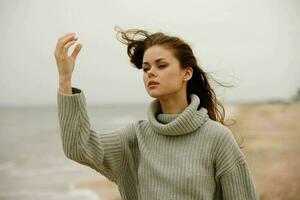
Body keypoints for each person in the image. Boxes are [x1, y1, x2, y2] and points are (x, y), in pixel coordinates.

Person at [54, 27, 259, 200]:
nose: (151, 72)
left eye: (161, 65)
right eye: (145, 68)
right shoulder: (135, 136)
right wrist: (65, 79)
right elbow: (78, 146)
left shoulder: (217, 138)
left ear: (186, 73)